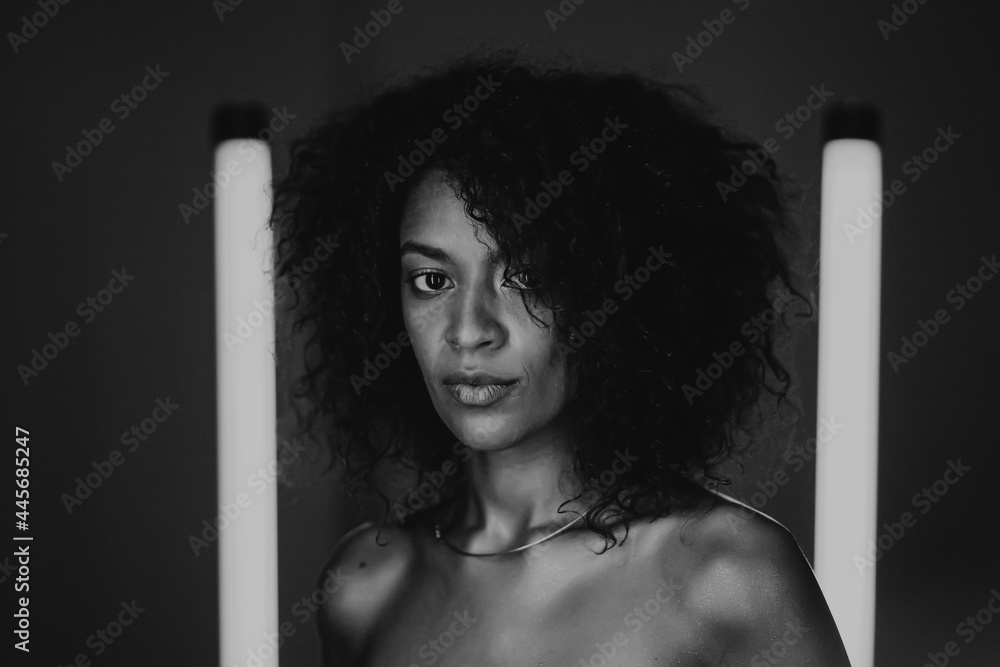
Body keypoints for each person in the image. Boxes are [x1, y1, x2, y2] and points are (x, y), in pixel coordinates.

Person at [269, 52, 851, 666]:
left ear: (615, 298)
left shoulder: (727, 574)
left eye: (526, 278)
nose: (469, 331)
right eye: (433, 281)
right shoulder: (366, 584)